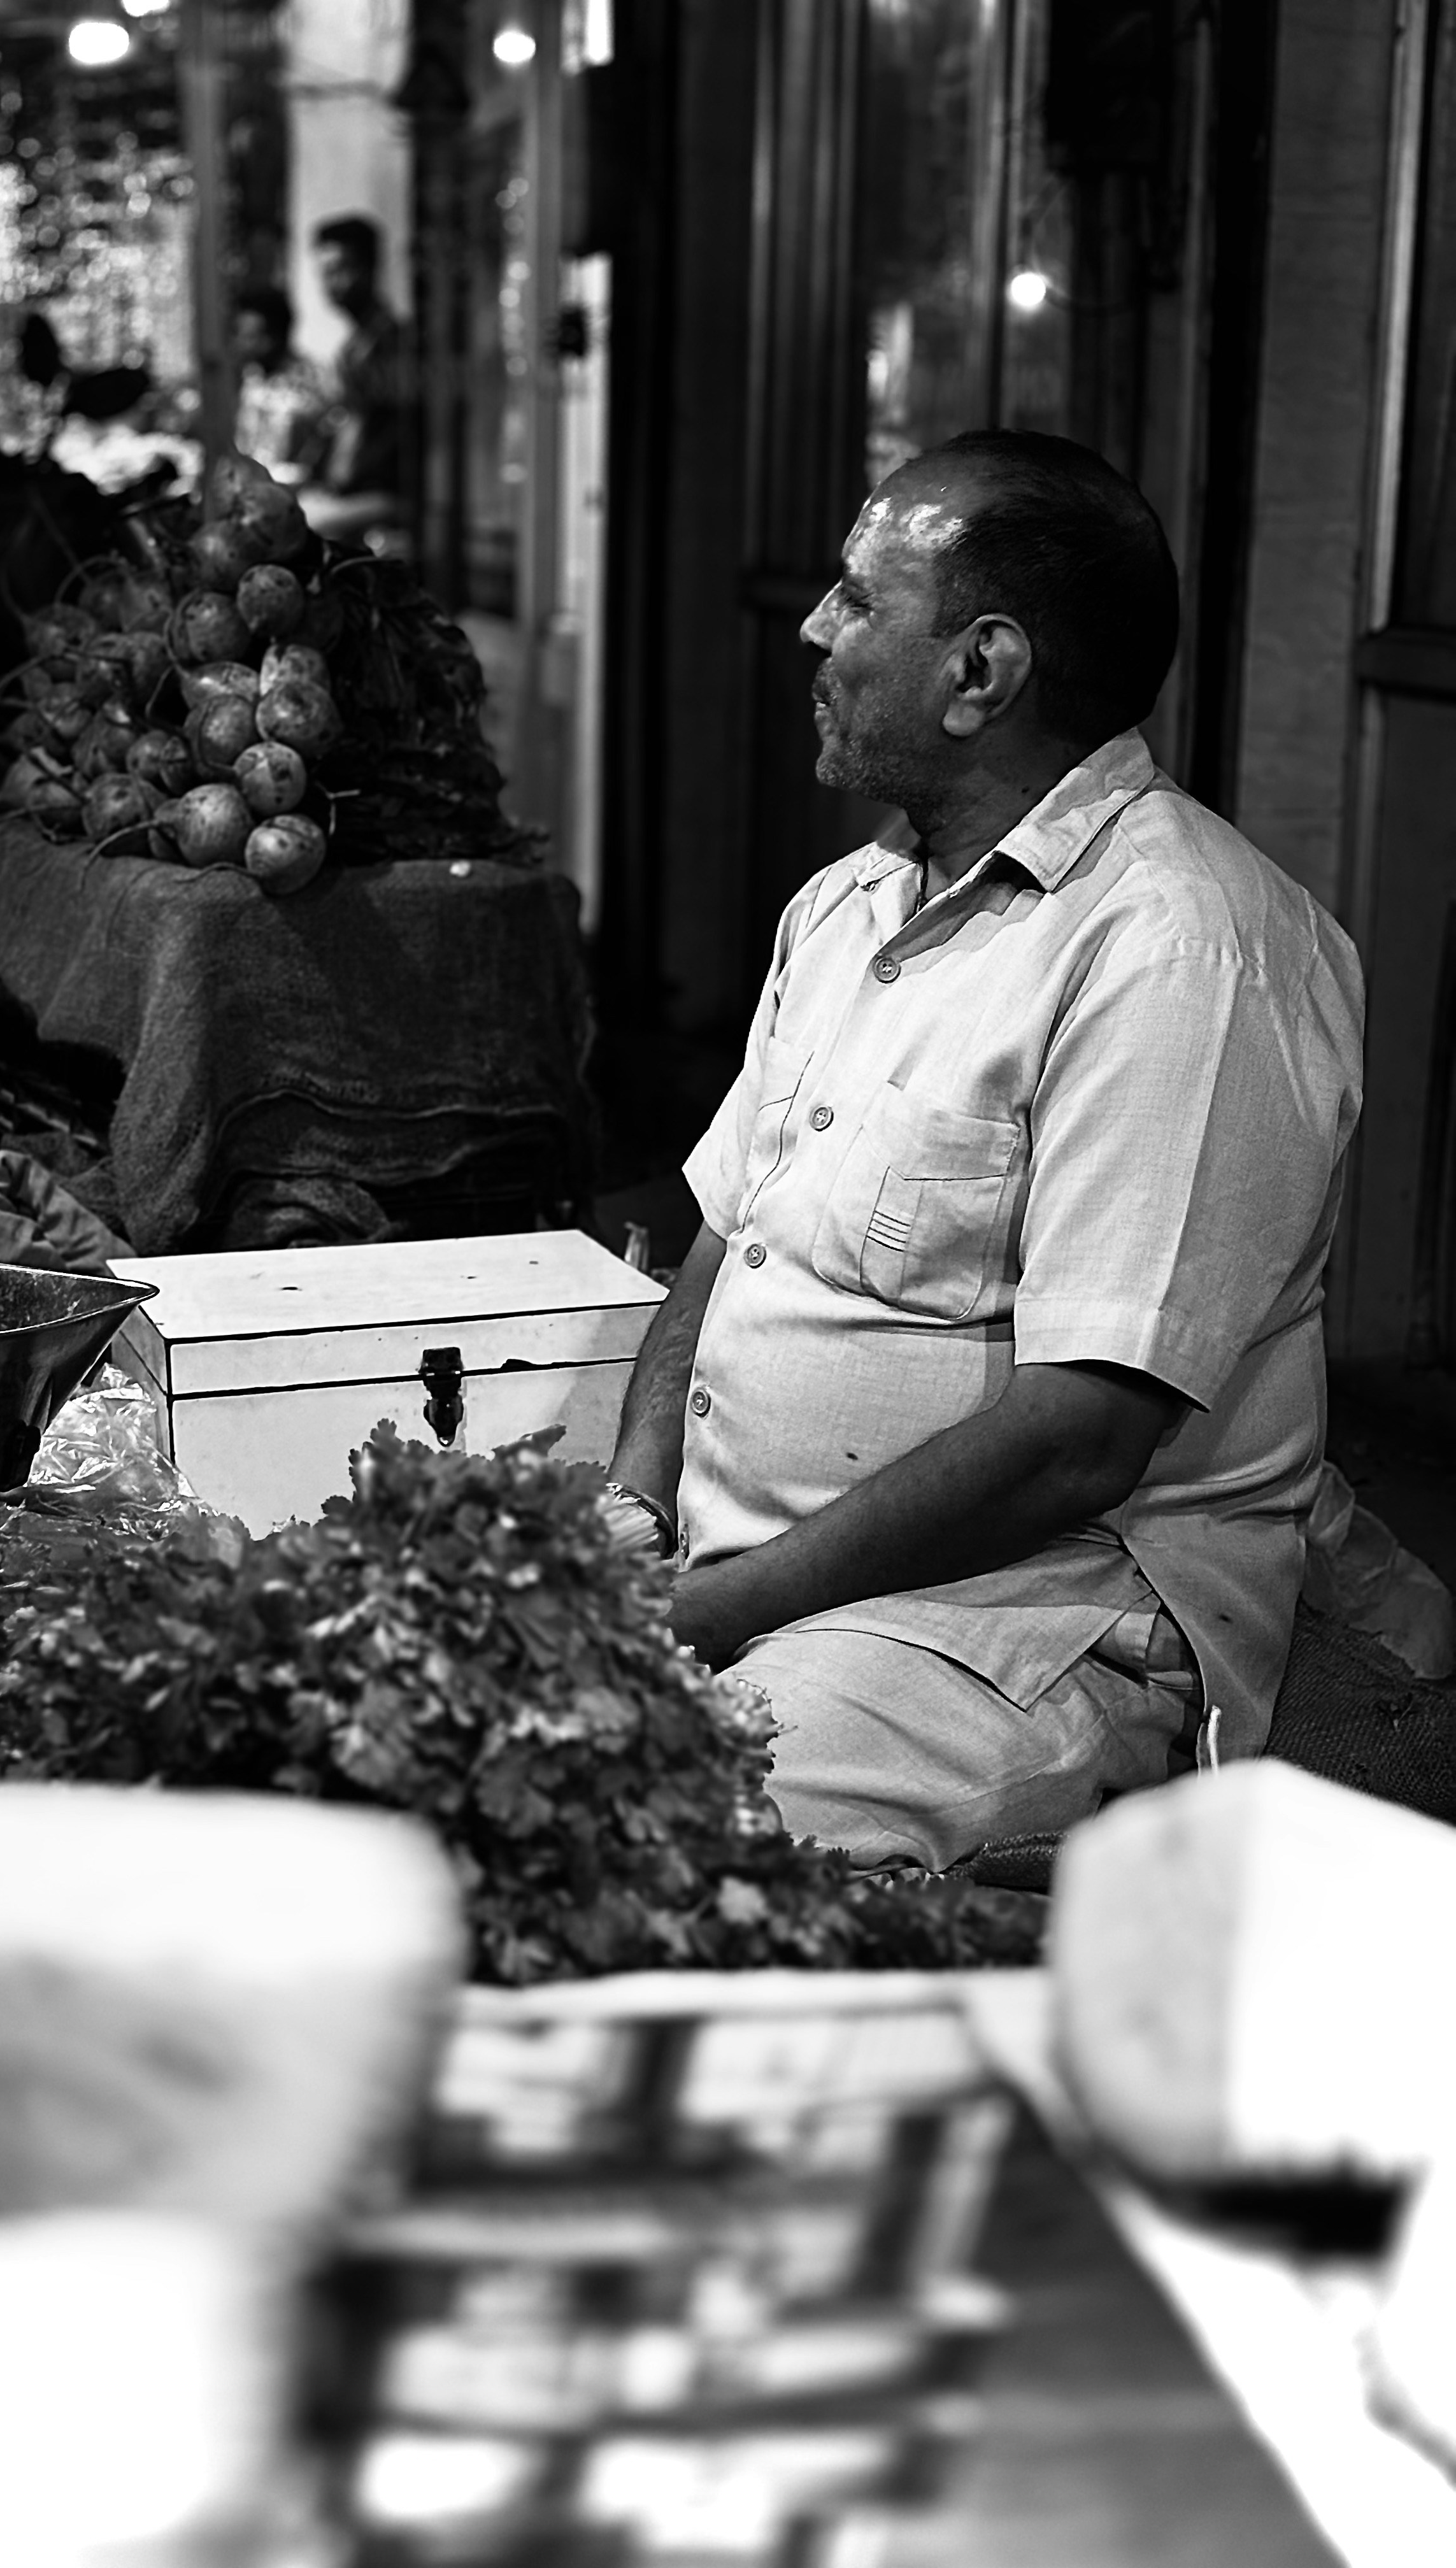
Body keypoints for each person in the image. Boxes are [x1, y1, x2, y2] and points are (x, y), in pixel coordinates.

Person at [603, 428, 1365, 1871]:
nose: (817, 632)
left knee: (648, 1839)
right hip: (743, 1582)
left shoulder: (1181, 954)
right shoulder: (846, 909)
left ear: (982, 672)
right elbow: (723, 1243)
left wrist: (705, 1616)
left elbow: (1072, 1446)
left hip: (1031, 1618)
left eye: (857, 598)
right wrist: (631, 1512)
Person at [301, 211, 413, 545]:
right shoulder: (355, 346)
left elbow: (387, 436)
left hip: (385, 497)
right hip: (352, 492)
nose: (331, 285)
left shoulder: (393, 344)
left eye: (340, 271)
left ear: (369, 269)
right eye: (324, 274)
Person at [231, 284, 327, 485]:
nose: (239, 344)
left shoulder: (309, 382)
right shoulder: (253, 379)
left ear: (272, 338)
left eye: (249, 337)